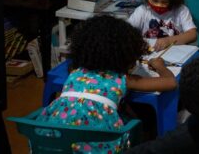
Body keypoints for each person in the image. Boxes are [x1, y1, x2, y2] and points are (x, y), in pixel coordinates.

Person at [37, 16, 176, 153]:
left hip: (52, 140)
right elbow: (171, 83)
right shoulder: (122, 79)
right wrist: (160, 66)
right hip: (95, 144)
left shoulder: (74, 72)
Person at [127, 0, 198, 51]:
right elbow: (126, 31)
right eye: (154, 0)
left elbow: (192, 35)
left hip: (174, 56)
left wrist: (168, 40)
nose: (159, 5)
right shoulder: (143, 10)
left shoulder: (181, 11)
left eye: (164, 2)